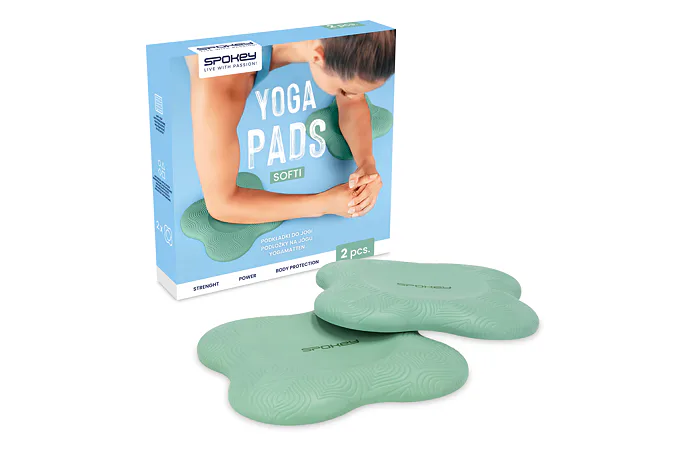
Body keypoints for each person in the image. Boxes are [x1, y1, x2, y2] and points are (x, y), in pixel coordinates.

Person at [185, 30, 396, 224]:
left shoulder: (338, 41)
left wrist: (367, 163)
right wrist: (323, 204)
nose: (350, 95)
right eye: (343, 89)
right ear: (318, 57)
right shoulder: (221, 82)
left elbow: (353, 100)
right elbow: (222, 204)